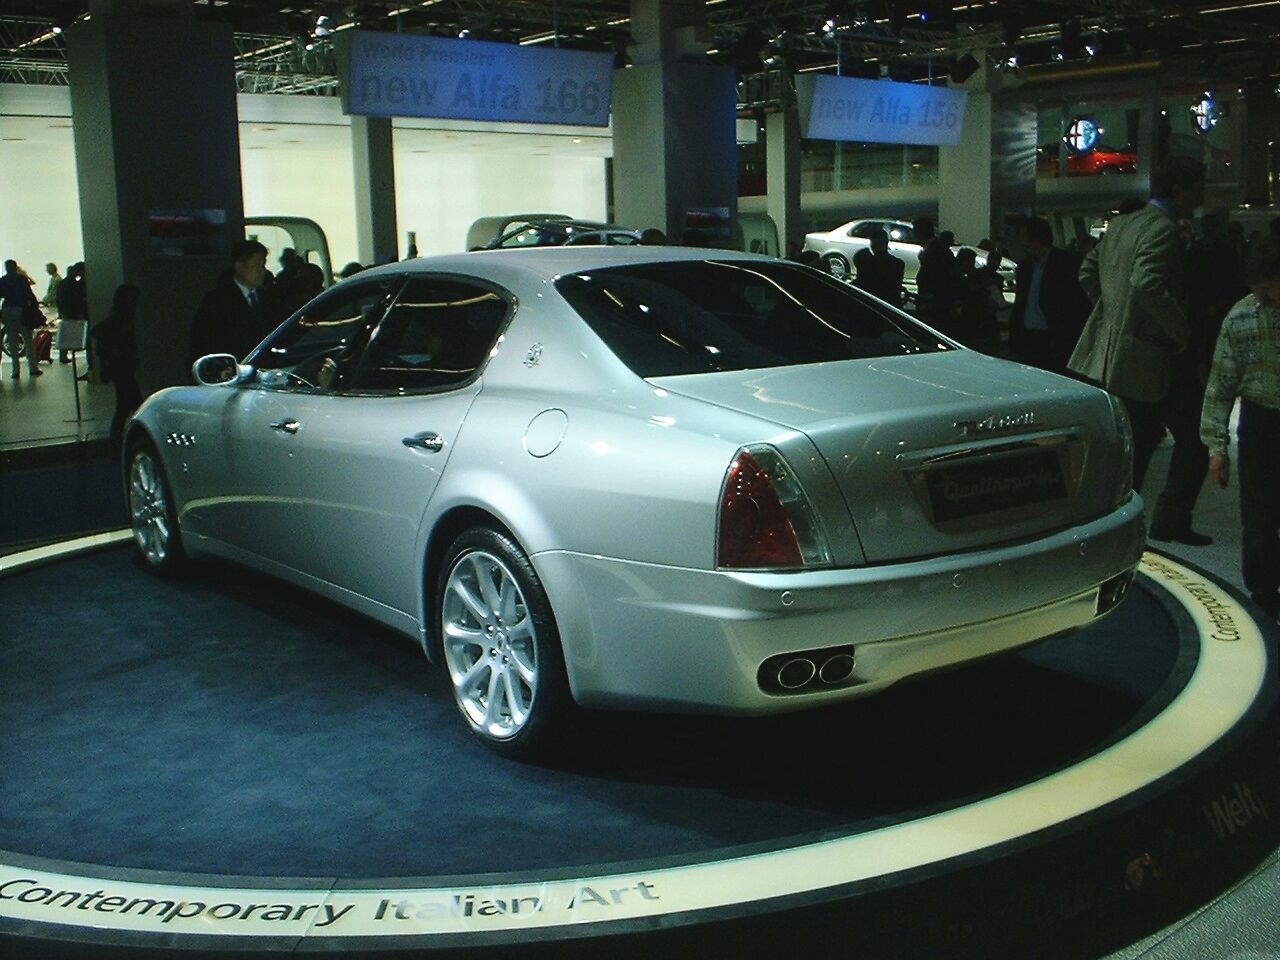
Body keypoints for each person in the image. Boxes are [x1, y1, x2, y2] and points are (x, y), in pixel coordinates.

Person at [1069, 156, 1210, 545]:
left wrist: (1113, 316)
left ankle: (1115, 523)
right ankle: (1166, 519)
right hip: (1151, 355)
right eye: (1198, 187)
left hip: (1111, 353)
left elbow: (1087, 272)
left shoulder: (1121, 225)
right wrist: (1178, 329)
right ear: (1179, 190)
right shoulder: (1162, 229)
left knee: (1137, 443)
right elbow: (1147, 285)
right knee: (1191, 437)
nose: (1201, 195)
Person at [1200, 236, 1280, 621]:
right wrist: (1216, 447)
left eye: (1270, 288)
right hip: (1261, 423)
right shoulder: (1241, 316)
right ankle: (1264, 593)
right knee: (1260, 516)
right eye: (1257, 289)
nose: (1263, 296)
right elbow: (1221, 384)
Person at [1008, 216, 1089, 374]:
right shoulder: (1024, 267)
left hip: (1054, 338)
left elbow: (1076, 303)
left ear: (1035, 238)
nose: (1020, 241)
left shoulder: (1067, 264)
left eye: (1023, 237)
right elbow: (1021, 303)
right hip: (1029, 337)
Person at [188, 239, 278, 372]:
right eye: (257, 265)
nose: (262, 271)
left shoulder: (267, 298)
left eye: (263, 265)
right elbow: (208, 342)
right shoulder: (217, 302)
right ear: (239, 266)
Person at [91, 284, 143, 445]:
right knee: (130, 402)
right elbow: (98, 331)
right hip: (122, 366)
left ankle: (120, 435)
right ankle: (121, 434)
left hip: (121, 365)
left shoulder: (120, 316)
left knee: (129, 402)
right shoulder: (121, 317)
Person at [0, 259, 42, 379]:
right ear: (15, 267)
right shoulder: (22, 279)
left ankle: (15, 371)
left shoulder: (2, 280)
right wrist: (35, 308)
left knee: (12, 341)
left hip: (7, 309)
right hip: (23, 310)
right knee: (28, 339)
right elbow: (29, 294)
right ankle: (33, 368)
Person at [852, 228, 905, 307]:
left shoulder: (868, 264)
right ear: (887, 243)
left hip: (871, 306)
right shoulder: (898, 264)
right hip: (892, 306)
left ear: (872, 244)